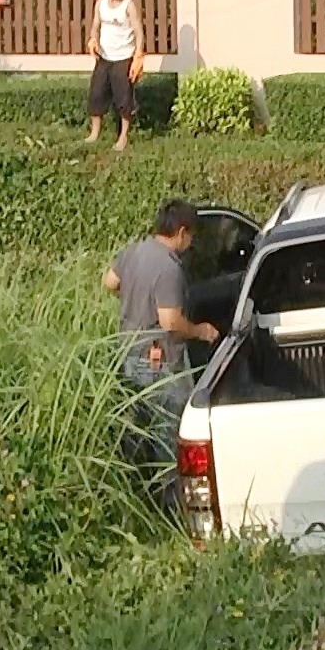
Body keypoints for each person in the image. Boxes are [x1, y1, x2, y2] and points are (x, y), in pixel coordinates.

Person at [103, 199, 221, 506]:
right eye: (191, 236)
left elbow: (109, 282)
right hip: (160, 360)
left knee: (136, 428)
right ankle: (172, 505)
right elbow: (170, 322)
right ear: (181, 232)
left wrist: (135, 300)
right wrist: (202, 331)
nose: (190, 242)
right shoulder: (169, 268)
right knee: (172, 432)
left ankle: (135, 496)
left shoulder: (133, 251)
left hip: (128, 351)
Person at [85, 0, 145, 151]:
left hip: (123, 58)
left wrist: (138, 55)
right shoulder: (100, 4)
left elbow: (138, 31)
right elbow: (95, 25)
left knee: (124, 99)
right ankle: (95, 133)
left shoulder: (129, 5)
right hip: (104, 57)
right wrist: (93, 39)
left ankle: (123, 136)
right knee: (96, 94)